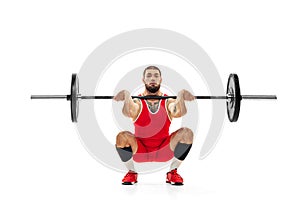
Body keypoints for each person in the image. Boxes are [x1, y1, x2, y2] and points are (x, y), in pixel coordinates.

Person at [113, 66, 195, 185]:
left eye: (156, 76)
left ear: (160, 80)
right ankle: (131, 172)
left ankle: (172, 172)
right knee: (122, 136)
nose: (153, 78)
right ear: (143, 80)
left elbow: (179, 112)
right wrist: (126, 95)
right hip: (140, 150)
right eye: (149, 76)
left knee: (187, 133)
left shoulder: (168, 101)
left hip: (164, 149)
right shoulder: (137, 101)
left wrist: (181, 95)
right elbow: (128, 112)